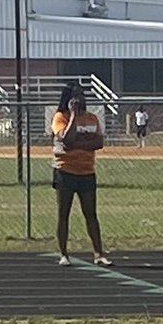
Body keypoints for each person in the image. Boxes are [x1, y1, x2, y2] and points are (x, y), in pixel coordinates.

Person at [51, 82, 112, 267]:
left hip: (87, 172)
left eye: (82, 95)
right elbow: (66, 139)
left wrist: (78, 145)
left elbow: (98, 142)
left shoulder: (92, 118)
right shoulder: (60, 117)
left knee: (91, 213)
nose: (79, 99)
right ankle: (64, 253)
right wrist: (74, 118)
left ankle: (99, 253)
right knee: (64, 213)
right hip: (65, 170)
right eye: (75, 95)